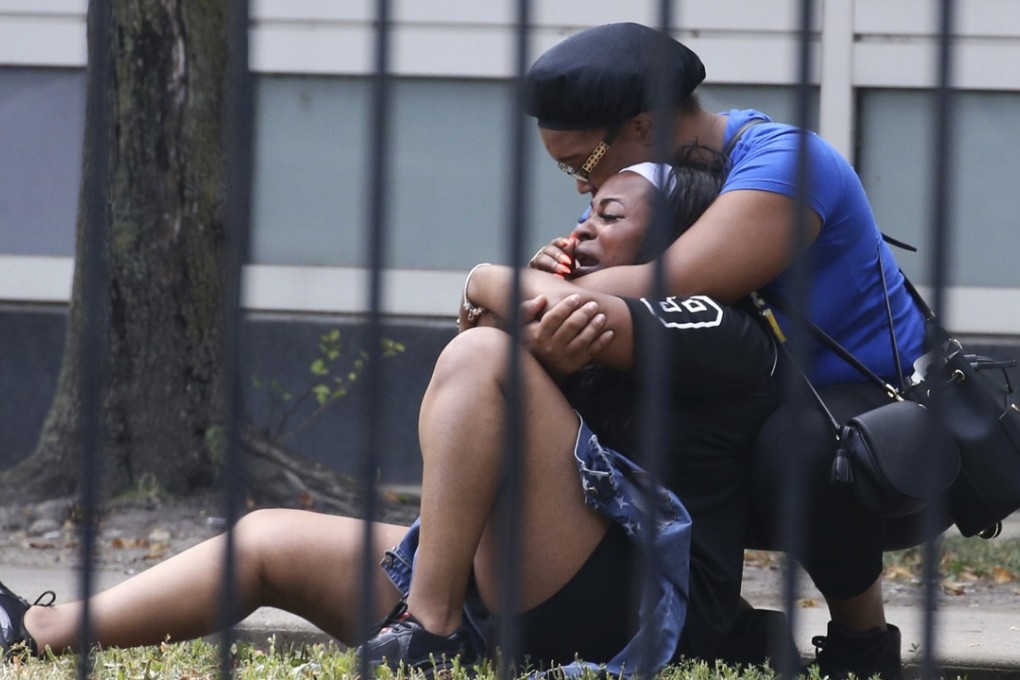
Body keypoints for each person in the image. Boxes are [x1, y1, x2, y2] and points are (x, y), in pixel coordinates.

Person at [1, 156, 778, 676]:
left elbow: (515, 338)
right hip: (520, 588)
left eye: (607, 213)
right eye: (585, 210)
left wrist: (485, 281)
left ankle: (425, 636)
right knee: (268, 538)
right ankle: (35, 634)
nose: (579, 228)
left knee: (482, 362)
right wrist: (505, 323)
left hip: (636, 606)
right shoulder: (574, 312)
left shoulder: (717, 321)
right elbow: (481, 413)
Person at [520, 21, 934, 680]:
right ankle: (711, 619)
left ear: (645, 127)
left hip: (848, 412)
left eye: (582, 166)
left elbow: (669, 287)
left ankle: (863, 641)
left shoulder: (782, 163)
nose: (579, 193)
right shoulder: (638, 190)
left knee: (796, 448)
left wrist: (531, 287)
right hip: (731, 393)